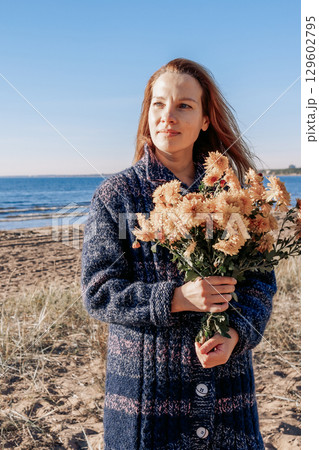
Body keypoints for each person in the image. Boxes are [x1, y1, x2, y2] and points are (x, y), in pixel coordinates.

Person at [81, 58, 277, 450]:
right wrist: (177, 298)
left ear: (205, 119)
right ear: (147, 112)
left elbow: (260, 284)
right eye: (158, 104)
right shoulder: (116, 196)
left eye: (184, 105)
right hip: (147, 404)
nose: (168, 116)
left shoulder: (232, 197)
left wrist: (237, 335)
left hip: (228, 396)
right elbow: (99, 291)